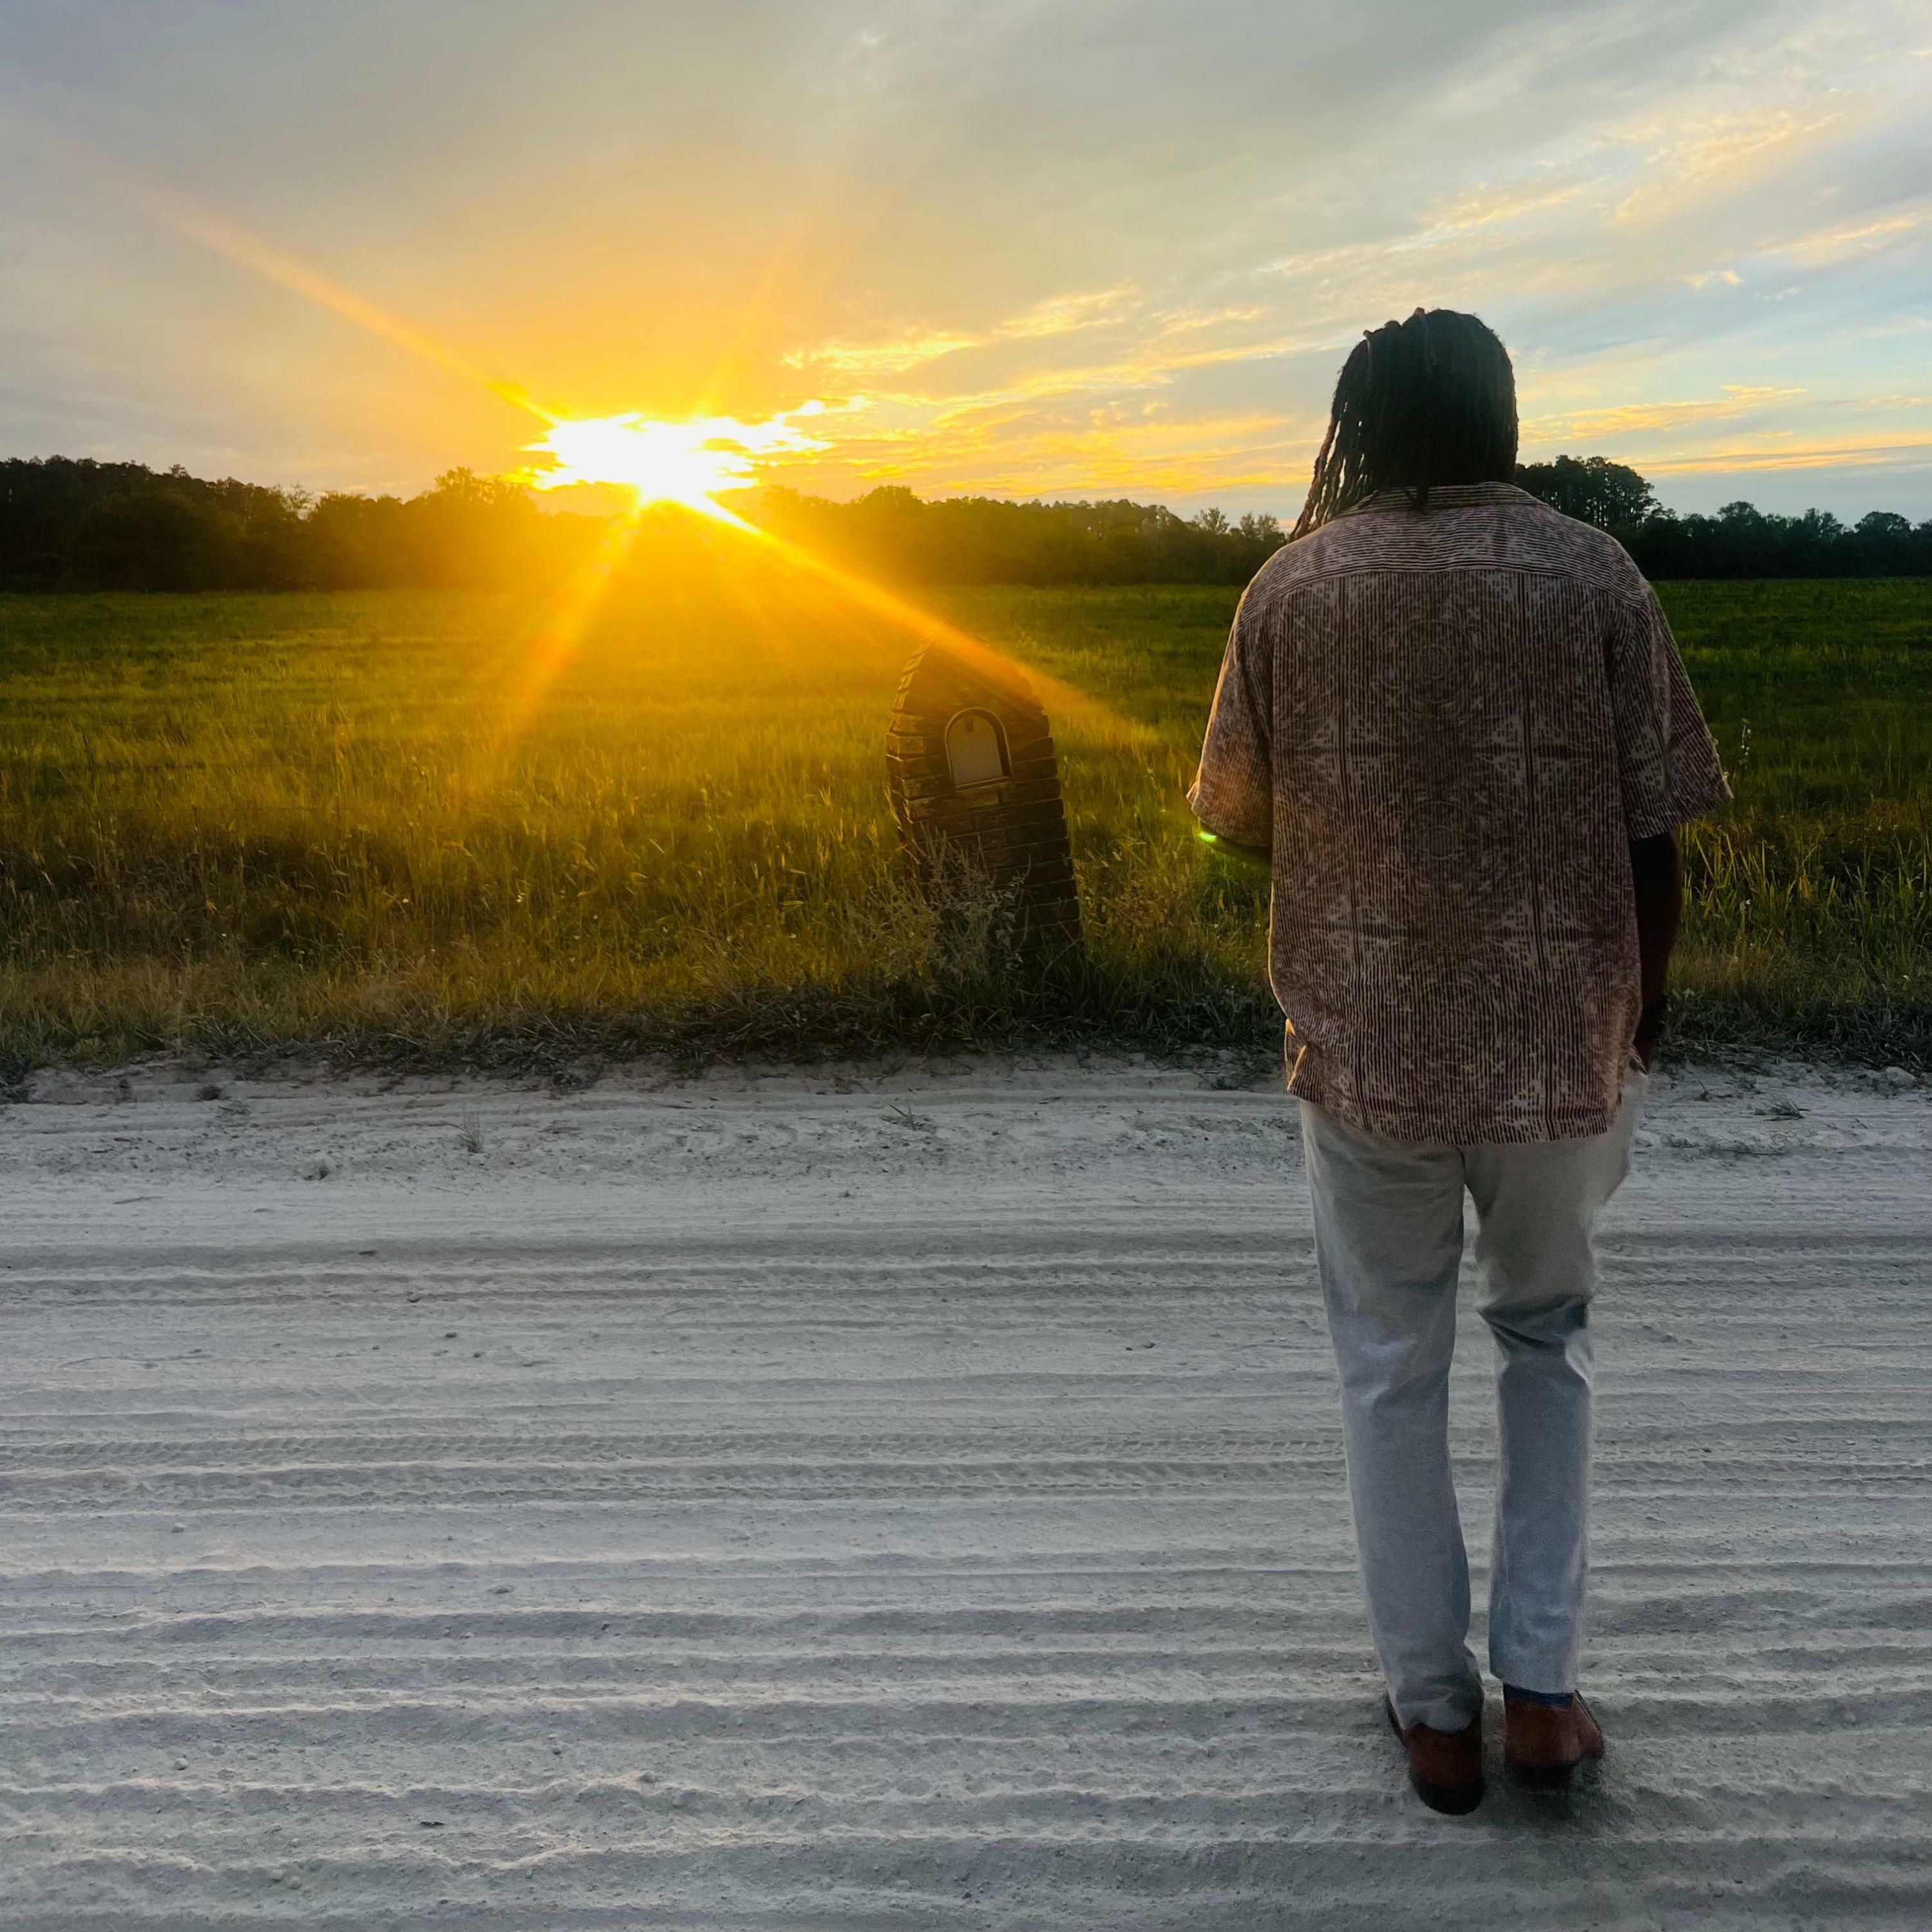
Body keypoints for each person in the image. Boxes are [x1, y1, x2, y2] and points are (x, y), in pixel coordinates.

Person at [1188, 308, 1728, 1814]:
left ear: (1358, 421)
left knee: (1389, 1365)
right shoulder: (1591, 572)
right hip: (1563, 1046)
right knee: (1548, 1338)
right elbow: (1658, 830)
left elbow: (1234, 821)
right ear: (1502, 415)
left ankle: (1433, 1715)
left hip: (1367, 1047)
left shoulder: (1292, 586)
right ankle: (1541, 1694)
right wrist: (1640, 1011)